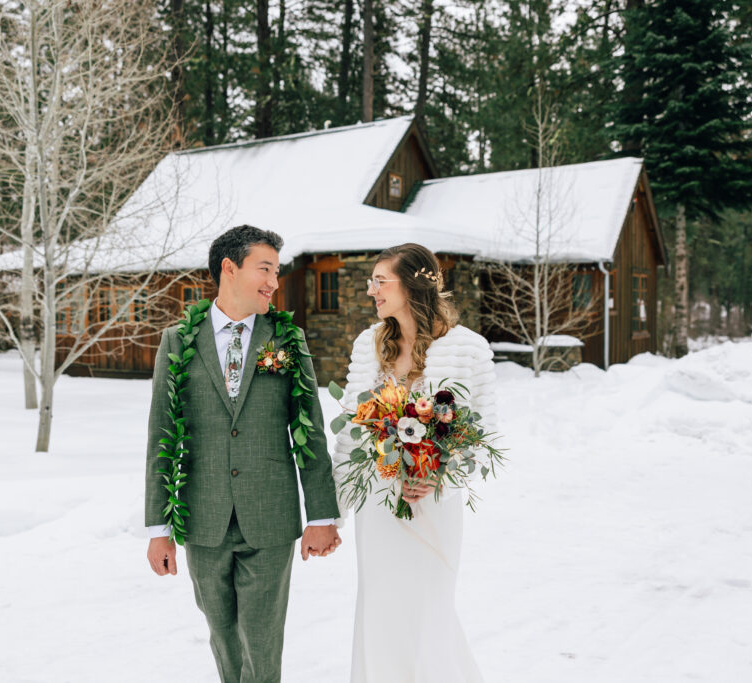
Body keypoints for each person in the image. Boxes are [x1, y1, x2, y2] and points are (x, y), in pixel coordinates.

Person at [144, 225, 342, 683]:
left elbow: (308, 432)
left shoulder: (287, 340)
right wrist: (158, 528)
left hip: (269, 515)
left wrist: (322, 515)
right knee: (222, 635)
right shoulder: (178, 341)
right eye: (265, 268)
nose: (274, 281)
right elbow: (161, 436)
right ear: (229, 269)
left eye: (277, 270)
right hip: (203, 517)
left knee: (262, 638)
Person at [333, 243, 496, 683]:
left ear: (413, 284)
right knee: (380, 606)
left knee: (430, 606)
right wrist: (336, 511)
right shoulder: (369, 344)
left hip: (433, 504)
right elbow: (351, 429)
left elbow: (484, 436)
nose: (371, 290)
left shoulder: (469, 349)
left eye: (380, 280)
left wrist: (438, 474)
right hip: (379, 502)